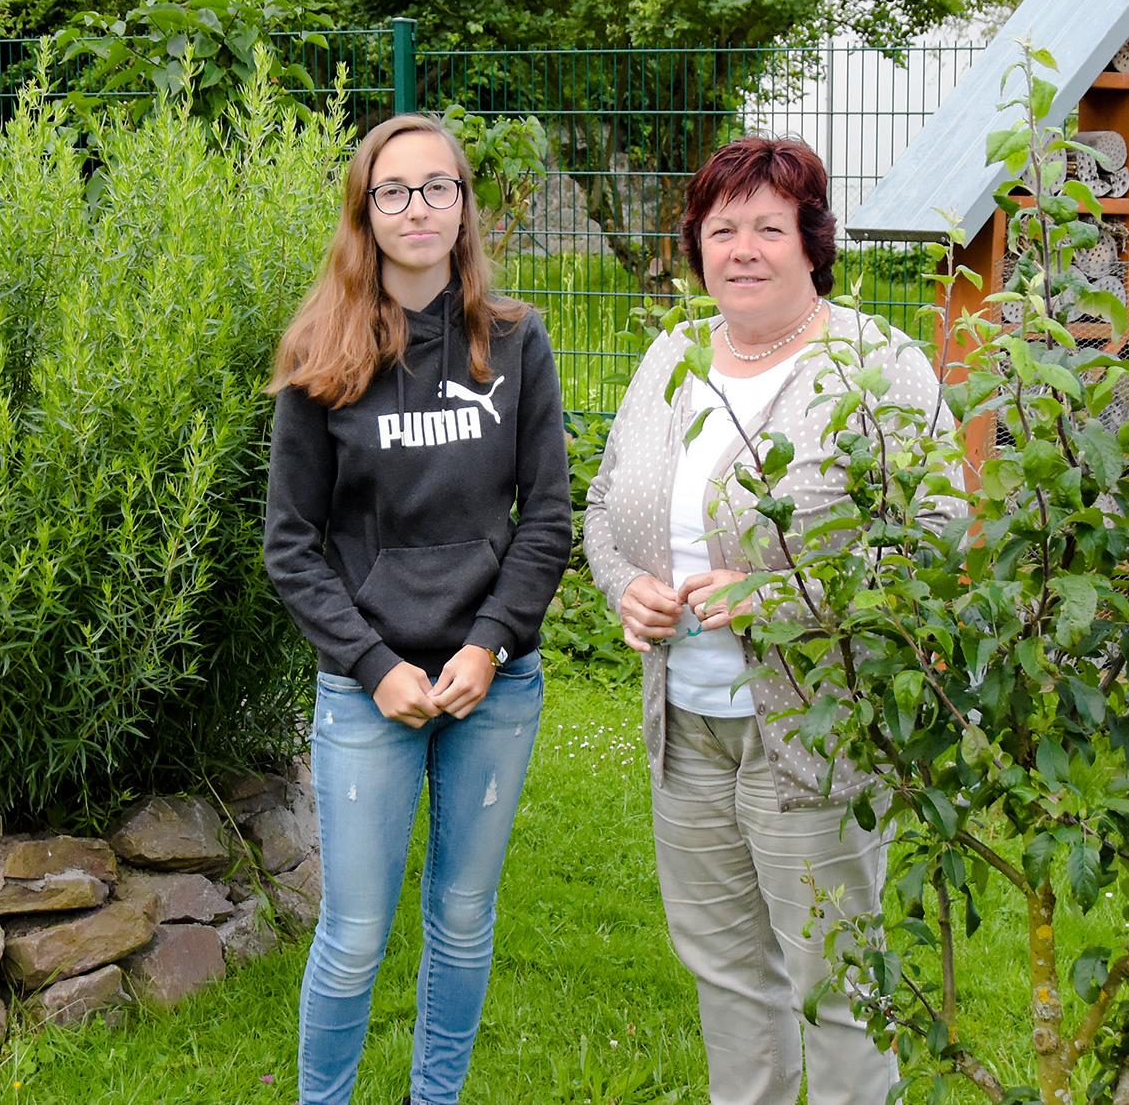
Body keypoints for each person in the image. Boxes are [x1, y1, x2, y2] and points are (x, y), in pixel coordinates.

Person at [582, 136, 946, 1104]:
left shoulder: (874, 362)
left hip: (815, 729)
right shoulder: (670, 355)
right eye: (720, 227)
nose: (740, 248)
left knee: (833, 979)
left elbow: (939, 535)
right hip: (687, 727)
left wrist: (782, 596)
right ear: (697, 245)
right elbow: (602, 505)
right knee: (725, 969)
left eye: (767, 228)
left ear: (810, 242)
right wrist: (624, 585)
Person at [263, 113, 573, 1105]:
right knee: (352, 933)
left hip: (494, 683)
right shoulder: (321, 352)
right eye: (393, 191)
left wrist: (489, 644)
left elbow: (547, 519)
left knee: (463, 919)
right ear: (364, 209)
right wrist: (372, 664)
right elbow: (291, 547)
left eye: (437, 187)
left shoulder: (516, 342)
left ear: (463, 205)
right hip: (369, 691)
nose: (417, 208)